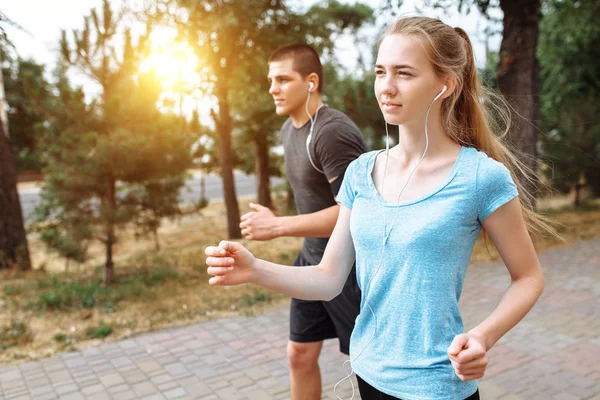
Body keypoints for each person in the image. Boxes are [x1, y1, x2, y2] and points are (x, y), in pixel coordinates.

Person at [206, 17, 551, 400]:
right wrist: (254, 269)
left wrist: (481, 337)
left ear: (445, 84)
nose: (386, 87)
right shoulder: (360, 173)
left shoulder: (480, 177)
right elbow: (328, 279)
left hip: (436, 386)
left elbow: (529, 277)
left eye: (404, 73)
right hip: (368, 373)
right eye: (380, 72)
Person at [238, 43, 366, 400]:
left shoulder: (331, 133)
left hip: (349, 270)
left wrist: (278, 226)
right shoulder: (288, 131)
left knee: (371, 367)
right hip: (311, 260)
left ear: (311, 81)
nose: (272, 89)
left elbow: (356, 212)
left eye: (282, 79)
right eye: (270, 80)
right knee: (299, 354)